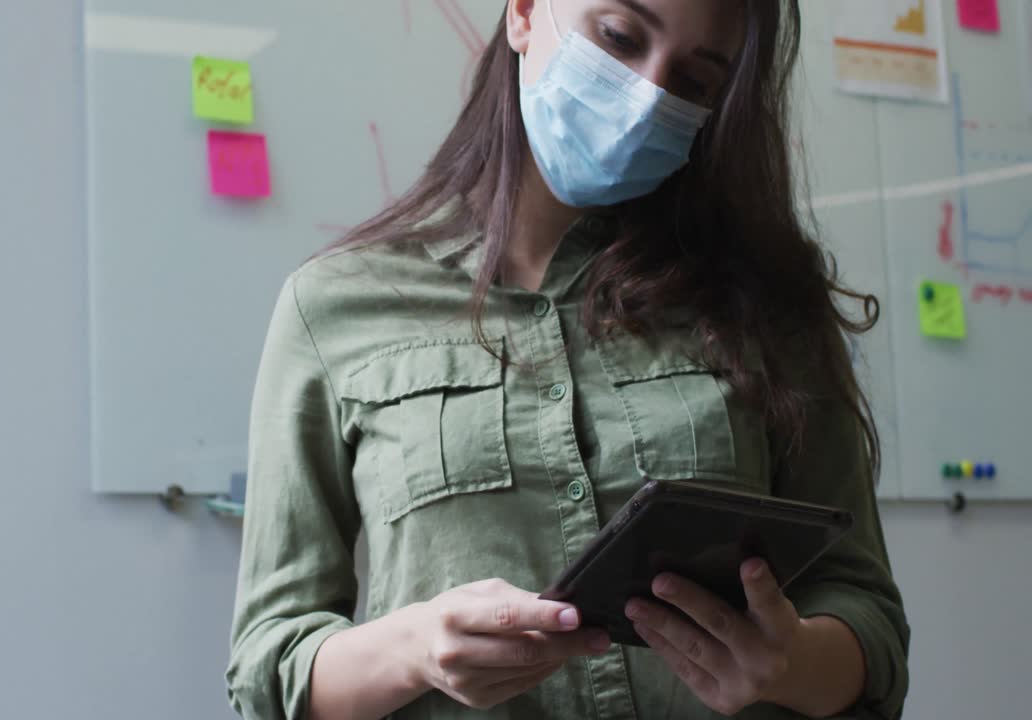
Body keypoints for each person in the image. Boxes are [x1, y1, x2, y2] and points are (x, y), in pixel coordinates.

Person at [226, 0, 910, 717]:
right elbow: (266, 671)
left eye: (696, 80)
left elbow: (868, 619)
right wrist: (414, 649)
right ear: (523, 14)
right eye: (619, 36)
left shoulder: (765, 302)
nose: (648, 98)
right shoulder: (332, 306)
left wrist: (791, 662)